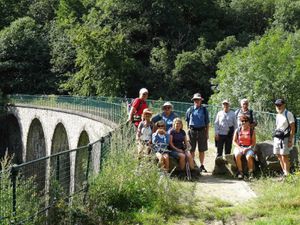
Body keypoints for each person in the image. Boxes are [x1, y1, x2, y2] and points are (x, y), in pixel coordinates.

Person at [186, 93, 210, 172]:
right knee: (191, 149)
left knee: (201, 149)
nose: (197, 101)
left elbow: (207, 123)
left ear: (201, 100)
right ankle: (192, 164)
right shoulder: (190, 109)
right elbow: (187, 121)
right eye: (195, 99)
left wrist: (207, 133)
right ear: (193, 100)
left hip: (202, 130)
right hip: (192, 130)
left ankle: (202, 165)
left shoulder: (204, 110)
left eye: (198, 99)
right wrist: (187, 133)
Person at [273, 99, 295, 177]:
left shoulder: (288, 114)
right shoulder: (278, 114)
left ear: (283, 105)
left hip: (285, 138)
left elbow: (293, 128)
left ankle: (287, 174)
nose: (278, 106)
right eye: (276, 105)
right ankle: (284, 172)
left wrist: (290, 140)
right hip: (277, 137)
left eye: (279, 105)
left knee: (284, 156)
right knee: (278, 155)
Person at [232, 115, 256, 180]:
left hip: (249, 147)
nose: (244, 122)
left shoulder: (252, 131)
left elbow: (253, 143)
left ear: (248, 122)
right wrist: (240, 148)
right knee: (237, 155)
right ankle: (240, 172)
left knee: (249, 156)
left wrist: (247, 148)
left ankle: (250, 172)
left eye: (245, 121)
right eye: (242, 121)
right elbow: (234, 141)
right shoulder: (238, 130)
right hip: (239, 147)